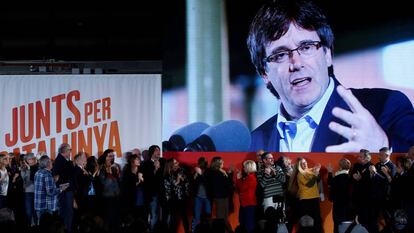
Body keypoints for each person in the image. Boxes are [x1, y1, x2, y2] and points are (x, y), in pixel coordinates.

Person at [247, 0, 414, 153]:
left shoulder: (386, 107)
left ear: (327, 54)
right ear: (264, 73)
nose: (296, 63)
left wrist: (383, 149)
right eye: (281, 55)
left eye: (306, 47)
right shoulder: (252, 145)